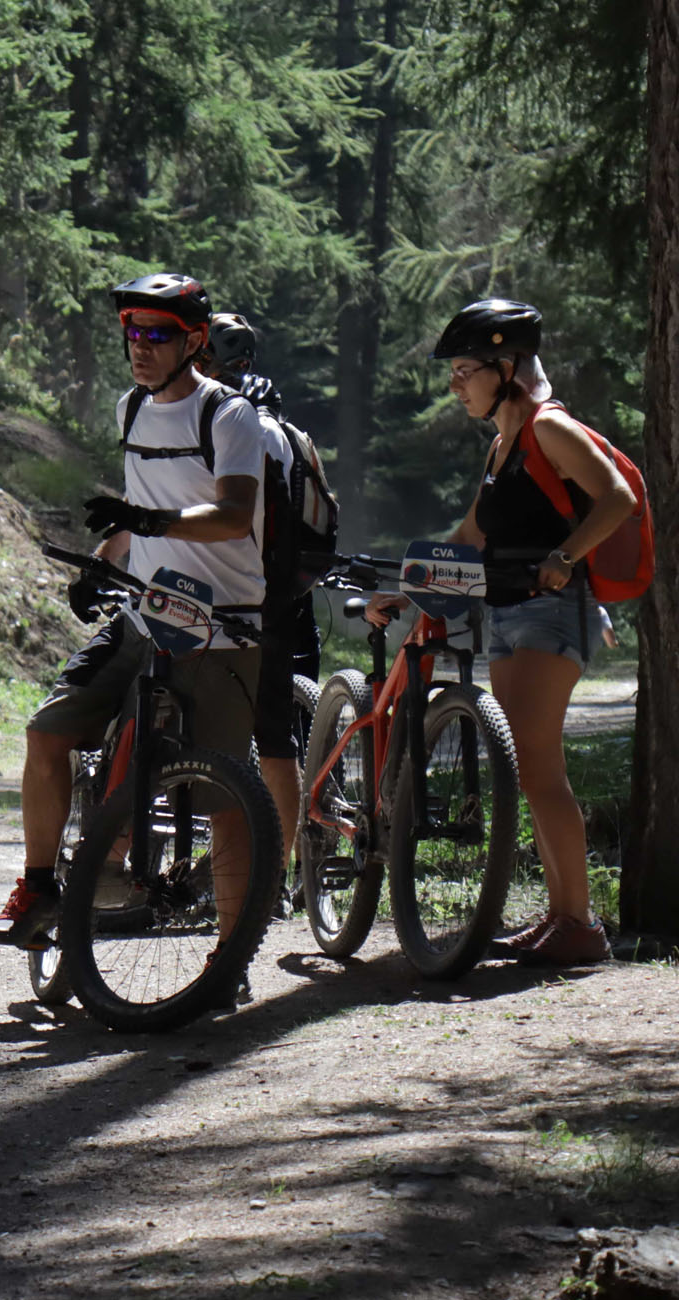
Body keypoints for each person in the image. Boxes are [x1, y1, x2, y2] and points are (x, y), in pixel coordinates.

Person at [0, 273, 267, 961]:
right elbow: (141, 508)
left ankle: (231, 954)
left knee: (225, 793)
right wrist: (101, 560)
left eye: (158, 334)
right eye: (132, 332)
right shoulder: (132, 407)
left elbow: (234, 515)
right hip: (146, 614)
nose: (141, 346)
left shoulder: (228, 416)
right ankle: (39, 886)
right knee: (47, 732)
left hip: (220, 626)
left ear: (193, 342)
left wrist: (152, 521)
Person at [367, 299, 637, 964]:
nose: (455, 384)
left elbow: (618, 498)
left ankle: (580, 925)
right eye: (454, 373)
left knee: (539, 770)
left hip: (554, 611)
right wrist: (408, 588)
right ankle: (562, 915)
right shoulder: (500, 447)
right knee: (531, 771)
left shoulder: (551, 428)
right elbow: (469, 536)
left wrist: (566, 556)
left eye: (465, 371)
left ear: (507, 368)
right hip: (508, 613)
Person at [198, 311, 321, 881]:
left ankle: (267, 876)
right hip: (282, 594)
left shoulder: (238, 424)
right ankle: (272, 876)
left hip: (243, 595)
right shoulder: (275, 425)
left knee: (262, 739)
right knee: (273, 739)